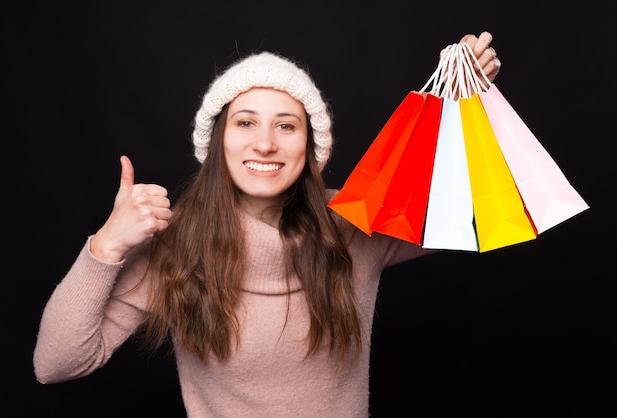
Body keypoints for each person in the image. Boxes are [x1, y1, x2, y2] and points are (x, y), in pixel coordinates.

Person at [34, 32, 501, 417]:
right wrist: (107, 244)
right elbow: (55, 364)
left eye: (285, 126)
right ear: (218, 142)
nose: (264, 144)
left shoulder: (354, 222)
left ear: (310, 148)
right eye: (244, 123)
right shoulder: (174, 246)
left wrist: (463, 104)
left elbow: (477, 213)